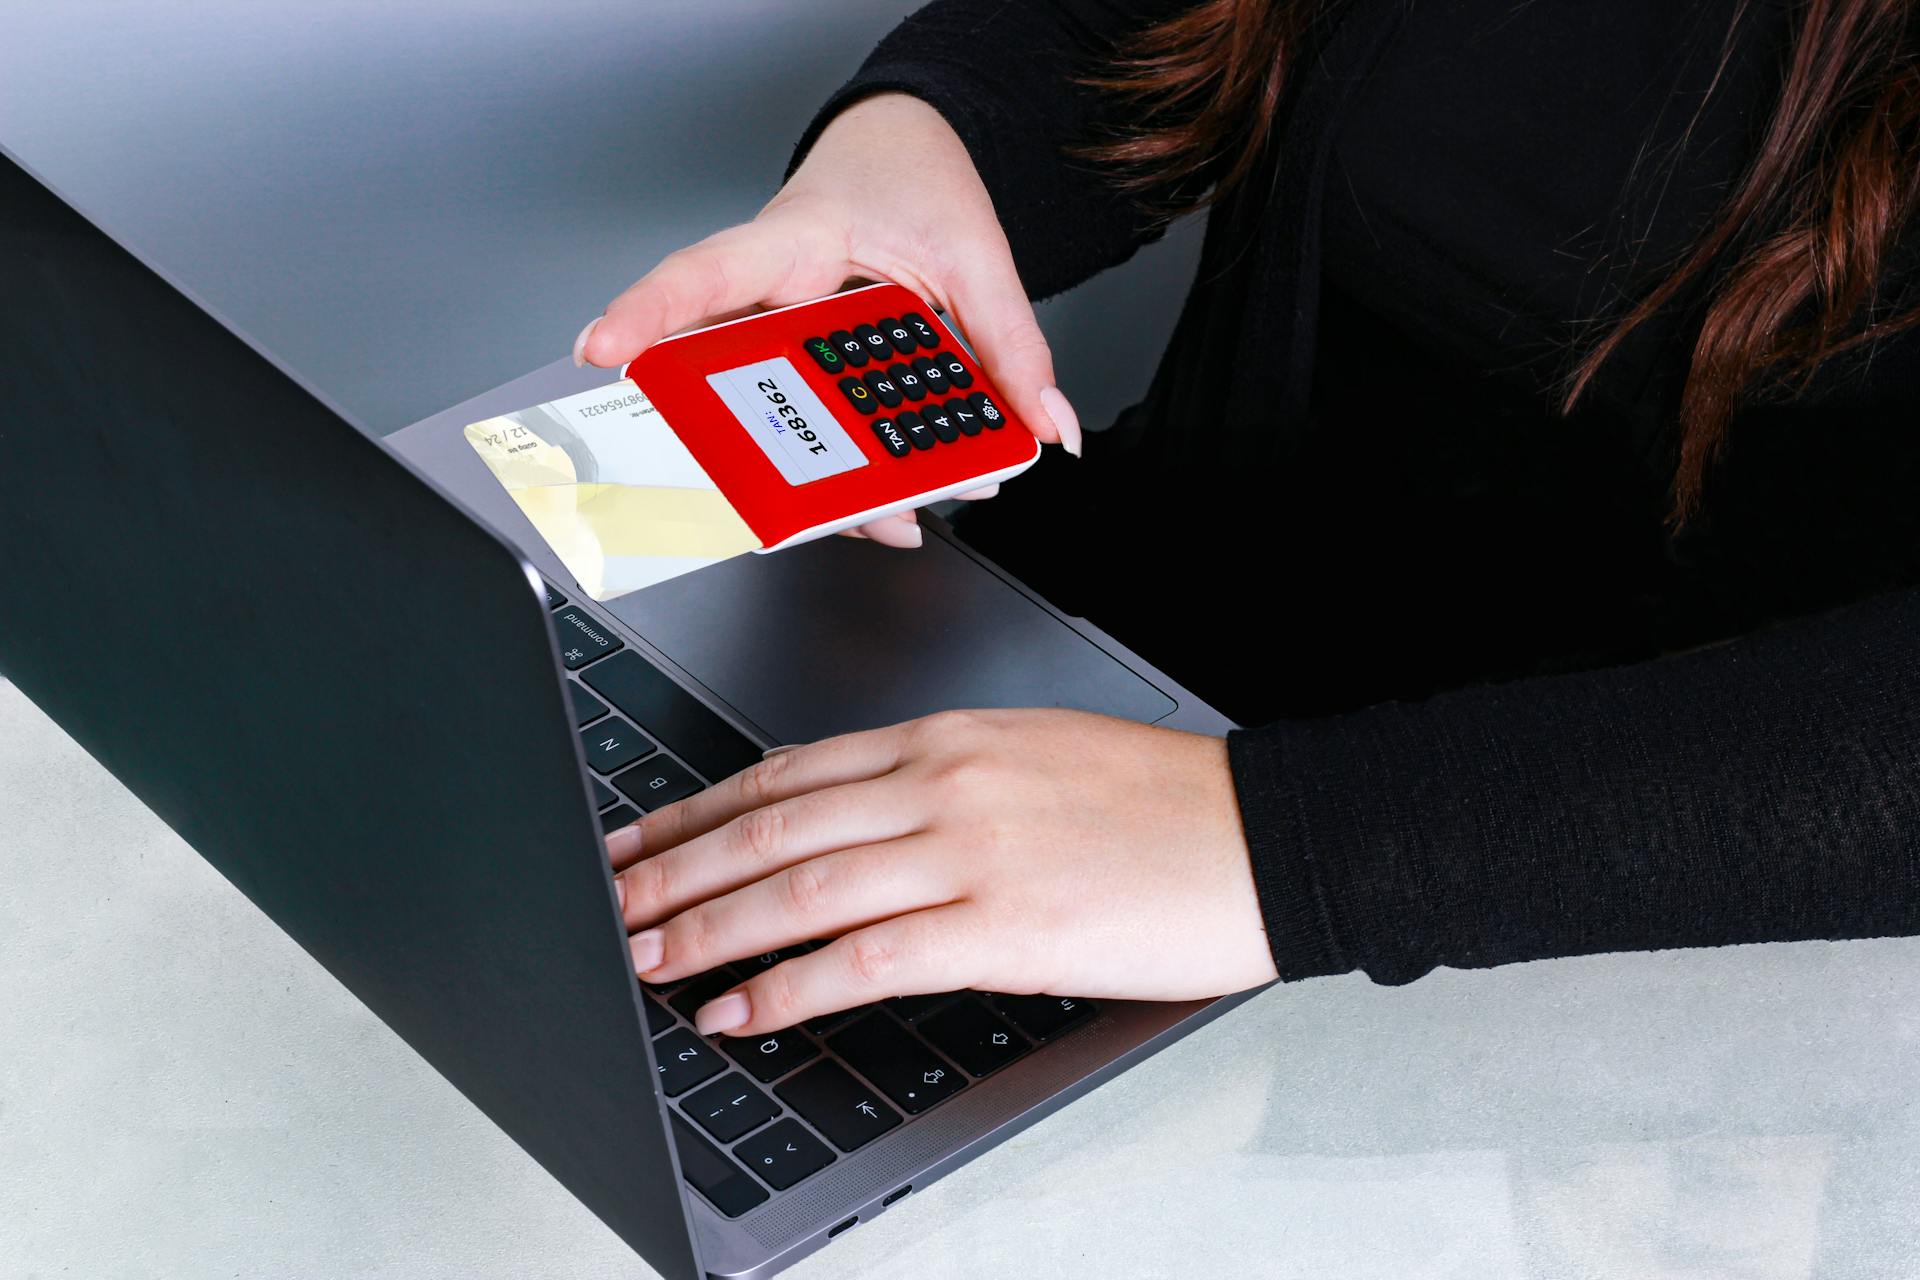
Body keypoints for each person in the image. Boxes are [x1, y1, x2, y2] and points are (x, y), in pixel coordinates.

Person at [572, 0, 1920, 1039]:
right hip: (1105, 705)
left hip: (1602, 931)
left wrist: (1269, 845)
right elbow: (1128, 32)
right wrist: (915, 154)